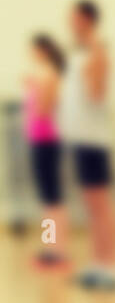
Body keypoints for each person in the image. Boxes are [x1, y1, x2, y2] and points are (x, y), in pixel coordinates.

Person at [62, 0, 115, 291]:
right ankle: (98, 263)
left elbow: (97, 95)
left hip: (94, 140)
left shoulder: (97, 52)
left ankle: (111, 267)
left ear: (86, 19)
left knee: (102, 204)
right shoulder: (80, 52)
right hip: (81, 138)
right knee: (91, 205)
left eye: (72, 17)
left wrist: (92, 78)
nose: (68, 21)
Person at [24, 34, 68, 270]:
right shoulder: (45, 75)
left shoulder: (49, 75)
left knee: (52, 199)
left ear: (42, 50)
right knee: (48, 198)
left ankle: (57, 251)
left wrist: (34, 89)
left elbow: (44, 108)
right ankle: (50, 248)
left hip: (46, 140)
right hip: (40, 140)